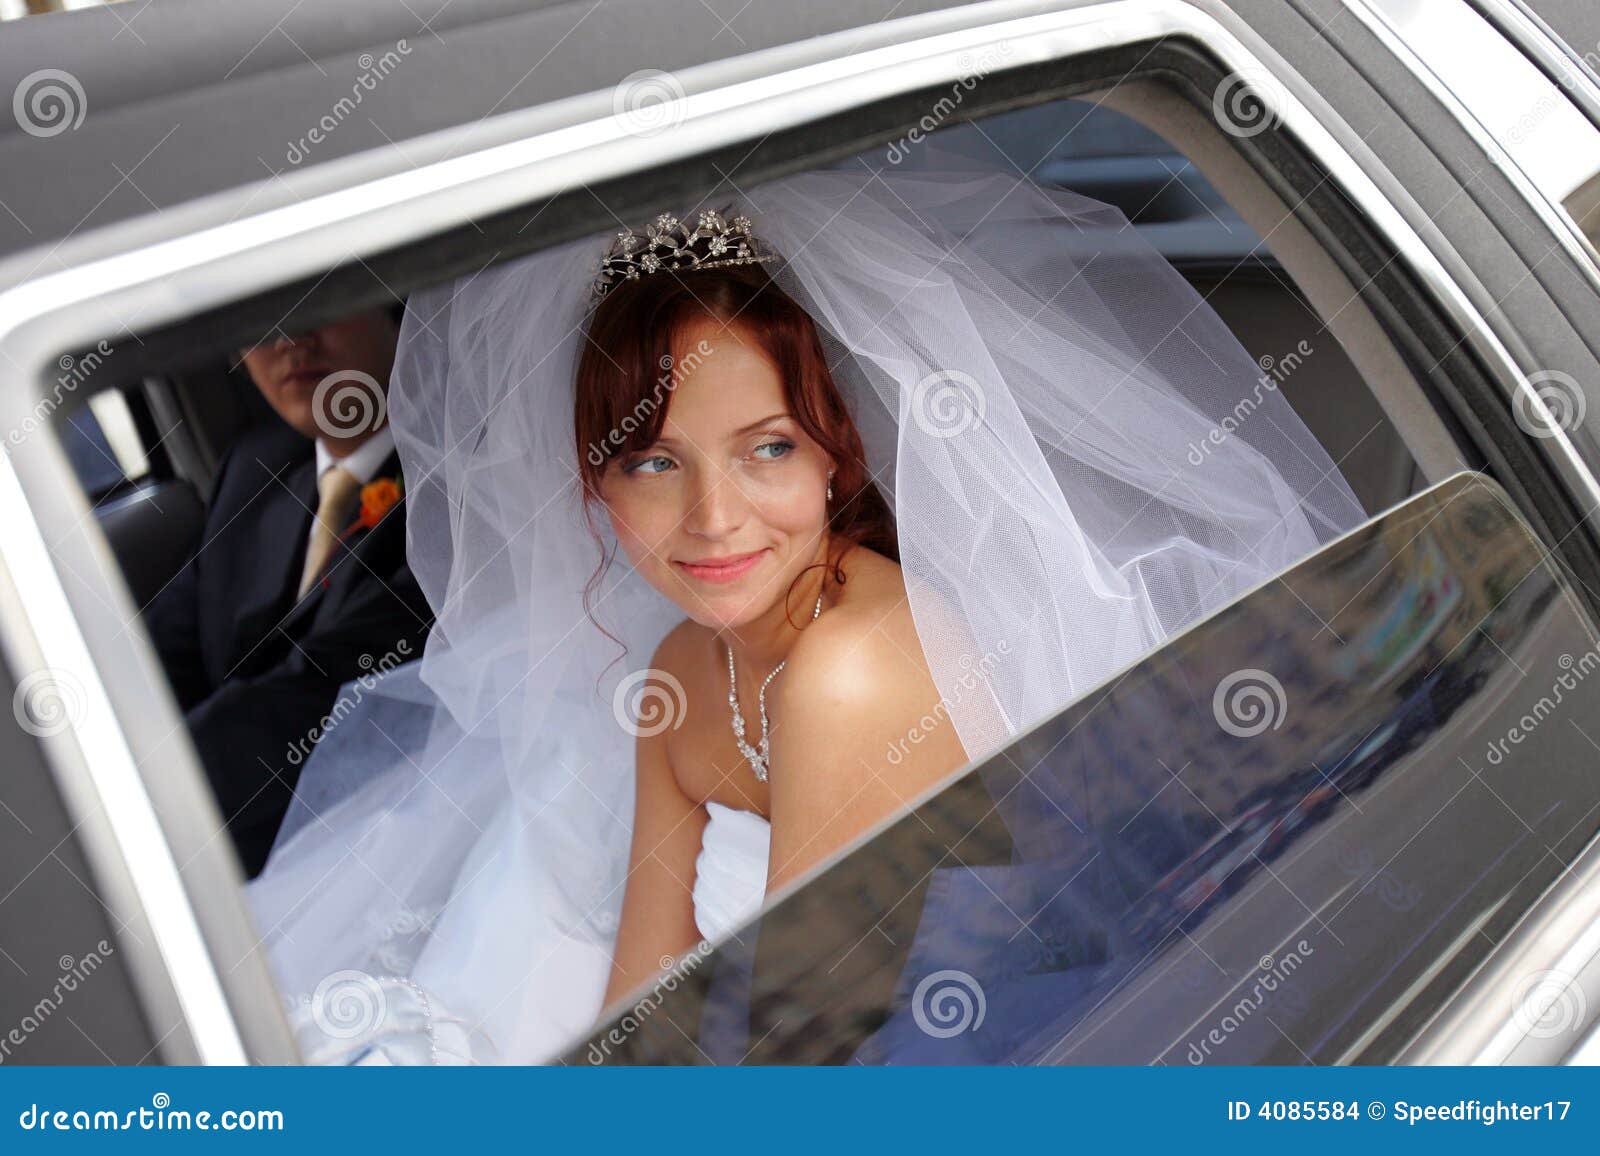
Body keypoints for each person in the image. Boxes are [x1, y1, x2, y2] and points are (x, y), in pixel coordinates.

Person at [247, 147, 1366, 1064]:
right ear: (596, 487)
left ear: (837, 454)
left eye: (767, 448)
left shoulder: (851, 671)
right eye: (654, 462)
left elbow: (790, 1059)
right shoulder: (681, 671)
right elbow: (642, 1002)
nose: (713, 518)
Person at [144, 306, 432, 878]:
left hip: (365, 842)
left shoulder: (453, 487)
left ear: (391, 307)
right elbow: (154, 655)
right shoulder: (253, 468)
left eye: (324, 302)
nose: (289, 338)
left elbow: (315, 696)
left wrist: (130, 791)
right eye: (261, 313)